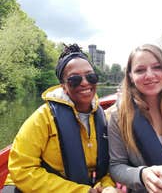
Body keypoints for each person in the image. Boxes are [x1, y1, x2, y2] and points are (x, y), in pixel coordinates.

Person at [3, 43, 116, 193]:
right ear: (63, 86)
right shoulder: (42, 119)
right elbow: (21, 170)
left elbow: (105, 169)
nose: (85, 82)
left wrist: (108, 186)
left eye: (90, 76)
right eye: (75, 79)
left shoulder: (102, 118)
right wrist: (81, 191)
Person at [107, 44, 162, 193]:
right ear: (130, 76)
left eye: (157, 67)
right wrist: (141, 175)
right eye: (140, 70)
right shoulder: (118, 117)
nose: (149, 75)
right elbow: (116, 165)